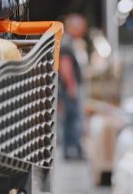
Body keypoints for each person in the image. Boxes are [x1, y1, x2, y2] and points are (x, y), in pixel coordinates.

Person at [58, 13, 87, 159]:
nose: (84, 29)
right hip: (69, 89)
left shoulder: (70, 41)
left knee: (71, 119)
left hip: (69, 88)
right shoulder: (67, 43)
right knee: (72, 119)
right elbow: (65, 66)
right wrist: (71, 87)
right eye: (81, 26)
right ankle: (71, 151)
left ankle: (71, 150)